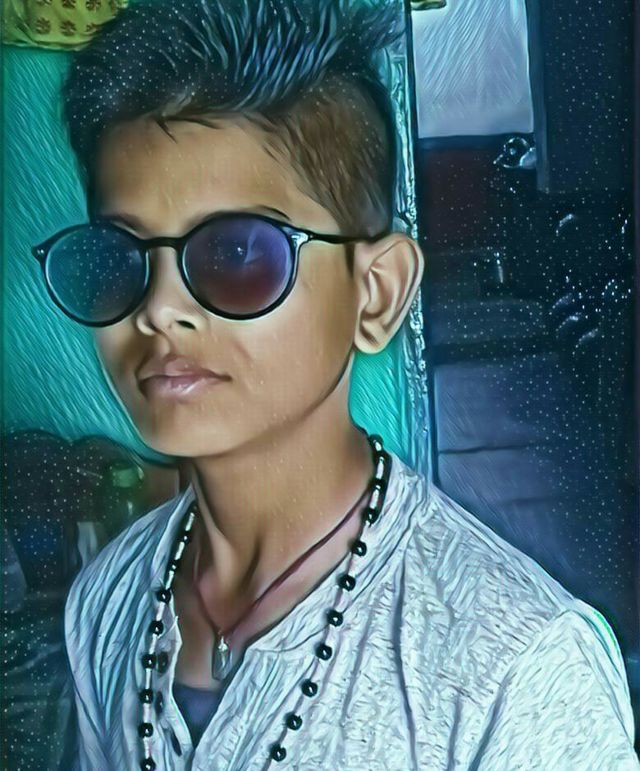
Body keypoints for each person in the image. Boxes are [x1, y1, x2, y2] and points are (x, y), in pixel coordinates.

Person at [34, 0, 638, 768]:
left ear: (376, 293)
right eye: (116, 258)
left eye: (237, 252)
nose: (158, 310)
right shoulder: (108, 600)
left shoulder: (519, 673)